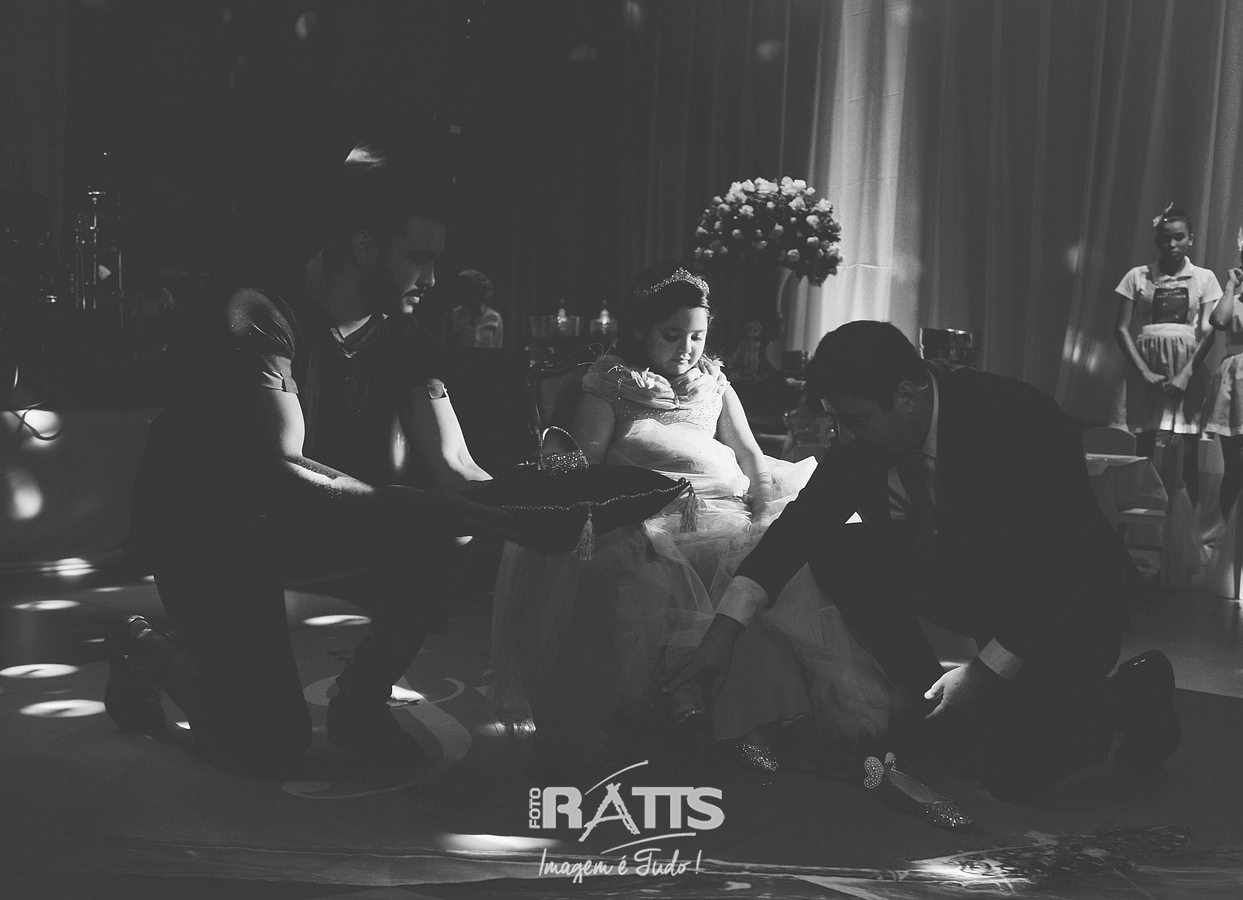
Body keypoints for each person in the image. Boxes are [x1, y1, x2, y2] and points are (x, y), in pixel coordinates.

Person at [107, 137, 512, 772]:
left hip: (300, 522)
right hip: (209, 530)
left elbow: (456, 468)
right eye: (419, 258)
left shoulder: (403, 332)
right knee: (267, 742)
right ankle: (145, 650)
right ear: (364, 247)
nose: (433, 280)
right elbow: (286, 468)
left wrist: (535, 510)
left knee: (451, 529)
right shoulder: (260, 313)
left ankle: (360, 705)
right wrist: (423, 509)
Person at [664, 321, 1181, 802]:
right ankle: (929, 699)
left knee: (1012, 771)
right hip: (983, 588)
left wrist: (982, 675)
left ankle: (1134, 691)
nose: (845, 437)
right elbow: (799, 530)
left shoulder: (1018, 419)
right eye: (838, 421)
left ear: (907, 397)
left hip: (1071, 610)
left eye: (855, 421)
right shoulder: (866, 435)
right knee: (839, 549)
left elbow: (1056, 570)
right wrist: (723, 634)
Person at [489, 264, 902, 771]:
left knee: (775, 564)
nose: (686, 349)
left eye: (697, 336)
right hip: (649, 515)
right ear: (639, 330)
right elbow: (589, 468)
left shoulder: (714, 383)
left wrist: (761, 508)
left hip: (728, 508)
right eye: (672, 335)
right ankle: (685, 702)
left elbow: (749, 454)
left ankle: (755, 712)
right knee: (659, 578)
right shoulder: (611, 384)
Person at [1113, 205, 1222, 505]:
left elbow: (1209, 331)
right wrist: (1144, 372)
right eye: (1164, 238)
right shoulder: (1138, 276)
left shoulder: (1204, 278)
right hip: (1147, 369)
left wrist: (1186, 374)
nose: (1171, 244)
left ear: (1190, 238)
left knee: (1187, 447)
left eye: (1178, 237)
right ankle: (1139, 513)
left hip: (1186, 369)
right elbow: (1121, 329)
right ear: (1156, 240)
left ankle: (1184, 519)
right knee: (1144, 445)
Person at [449, 268, 504, 348]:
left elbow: (498, 348)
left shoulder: (494, 317)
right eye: (463, 289)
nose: (466, 293)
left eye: (470, 289)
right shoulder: (453, 316)